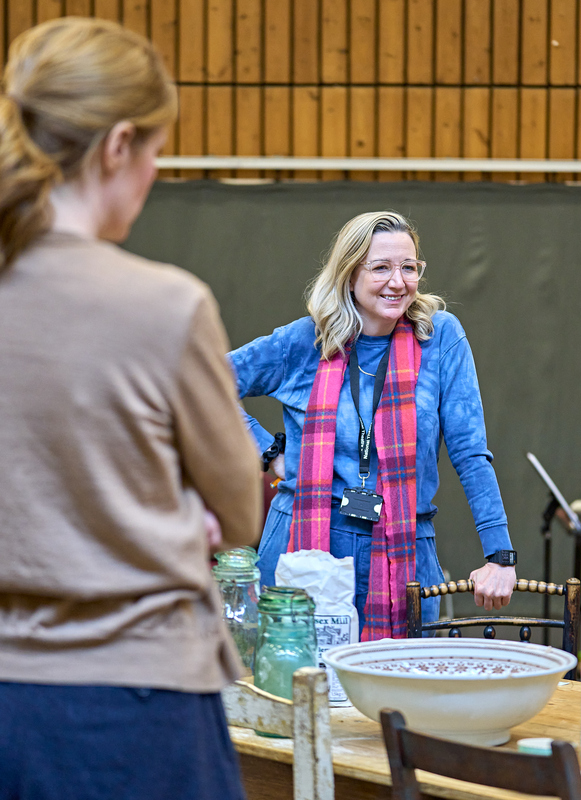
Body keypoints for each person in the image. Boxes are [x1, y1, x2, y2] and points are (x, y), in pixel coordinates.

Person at [0, 17, 260, 800]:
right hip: (140, 707)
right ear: (118, 146)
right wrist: (177, 506)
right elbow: (240, 512)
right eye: (154, 153)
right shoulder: (166, 307)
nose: (152, 176)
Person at [229, 210, 516, 640]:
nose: (398, 282)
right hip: (304, 541)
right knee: (301, 690)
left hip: (405, 549)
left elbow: (471, 452)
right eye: (381, 267)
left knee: (400, 695)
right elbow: (202, 385)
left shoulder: (440, 338)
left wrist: (500, 555)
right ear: (348, 273)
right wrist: (268, 452)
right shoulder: (304, 341)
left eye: (408, 267)